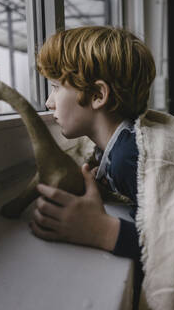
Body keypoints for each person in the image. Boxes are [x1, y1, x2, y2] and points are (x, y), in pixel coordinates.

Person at [29, 26, 155, 310]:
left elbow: (170, 240)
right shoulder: (114, 147)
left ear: (98, 95)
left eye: (56, 87)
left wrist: (99, 229)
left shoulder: (129, 155)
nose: (49, 103)